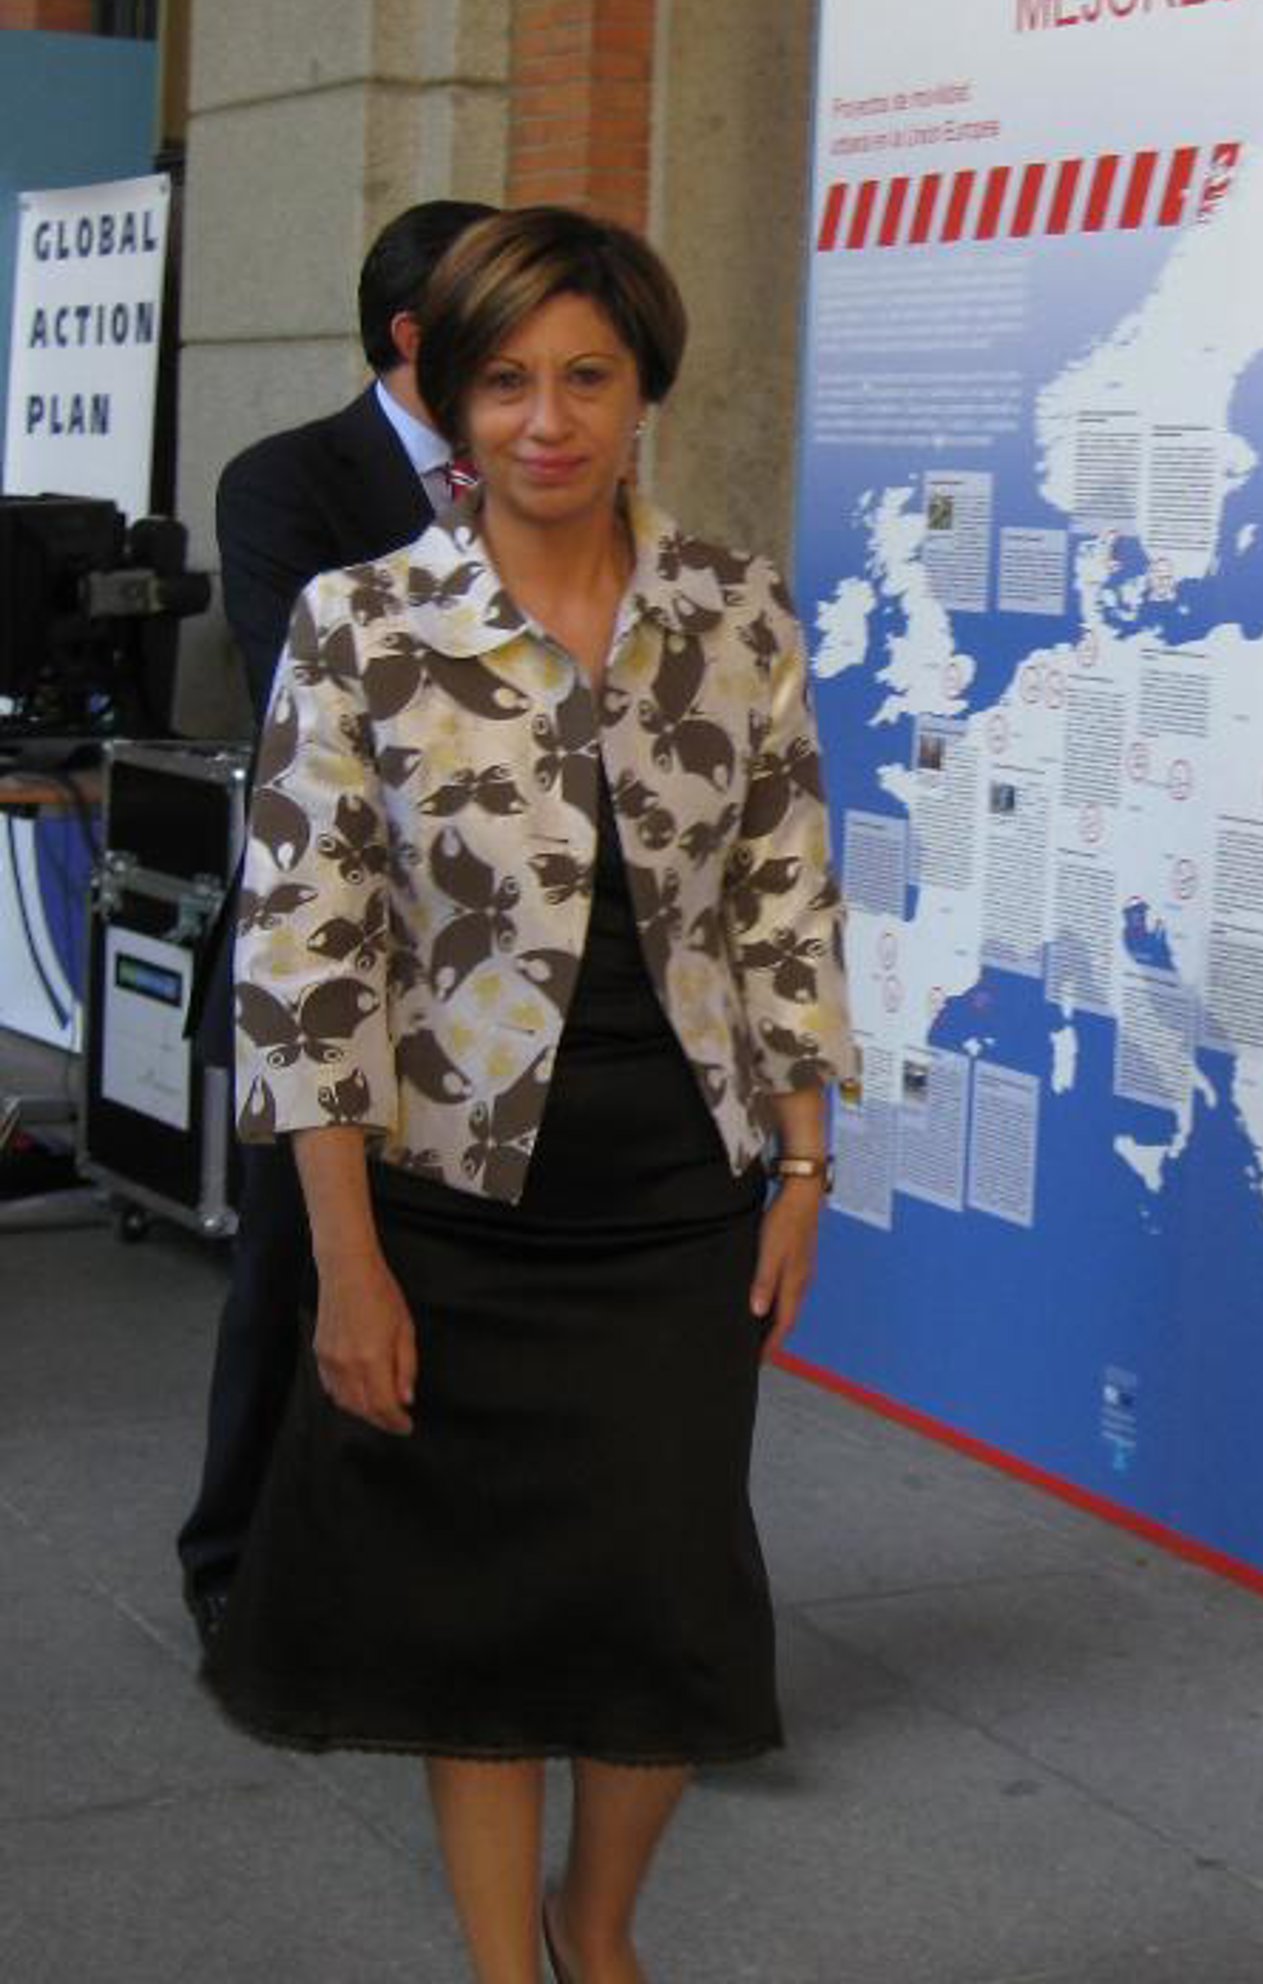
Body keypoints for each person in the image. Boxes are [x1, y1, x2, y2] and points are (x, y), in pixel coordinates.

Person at [203, 206, 856, 1984]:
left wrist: (806, 1171)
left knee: (669, 1596)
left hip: (680, 1195)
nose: (546, 421)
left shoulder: (733, 614)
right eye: (504, 382)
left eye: (587, 377)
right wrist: (345, 1264)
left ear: (645, 392)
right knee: (469, 1615)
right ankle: (510, 1966)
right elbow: (308, 958)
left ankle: (596, 1921)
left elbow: (787, 900)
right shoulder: (362, 624)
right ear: (448, 398)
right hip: (450, 1198)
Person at [178, 199, 496, 1647]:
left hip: (505, 965)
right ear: (417, 334)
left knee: (469, 1280)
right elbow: (305, 705)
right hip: (340, 941)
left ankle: (437, 1562)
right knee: (294, 1265)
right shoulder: (286, 481)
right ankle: (233, 1558)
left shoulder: (544, 479)